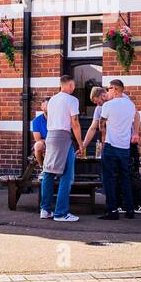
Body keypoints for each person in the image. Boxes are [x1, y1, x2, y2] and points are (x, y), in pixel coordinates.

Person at [82, 79, 141, 219]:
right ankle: (130, 210)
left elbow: (99, 126)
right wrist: (84, 145)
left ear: (114, 90)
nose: (97, 105)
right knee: (125, 177)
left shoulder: (108, 106)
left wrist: (135, 133)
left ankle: (112, 210)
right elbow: (134, 115)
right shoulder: (130, 104)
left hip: (111, 146)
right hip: (125, 146)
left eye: (109, 88)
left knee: (109, 179)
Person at [40, 75, 83, 223]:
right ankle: (61, 213)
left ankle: (45, 210)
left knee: (49, 173)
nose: (74, 88)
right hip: (63, 137)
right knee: (67, 175)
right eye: (74, 85)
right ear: (69, 85)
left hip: (50, 137)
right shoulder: (72, 100)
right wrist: (81, 143)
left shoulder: (52, 100)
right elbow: (75, 122)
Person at [30, 98, 49, 166]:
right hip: (44, 143)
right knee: (38, 145)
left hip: (56, 143)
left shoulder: (57, 119)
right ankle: (43, 168)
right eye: (46, 105)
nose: (47, 107)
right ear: (42, 107)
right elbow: (38, 139)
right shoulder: (36, 121)